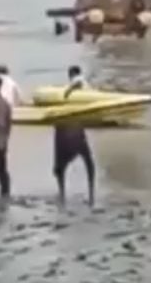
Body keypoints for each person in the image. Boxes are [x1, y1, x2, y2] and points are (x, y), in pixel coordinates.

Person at [53, 66, 95, 206]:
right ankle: (91, 193)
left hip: (69, 131)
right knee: (88, 163)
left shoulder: (78, 82)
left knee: (61, 164)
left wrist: (67, 91)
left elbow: (78, 82)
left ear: (70, 74)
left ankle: (62, 194)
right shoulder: (84, 88)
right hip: (77, 131)